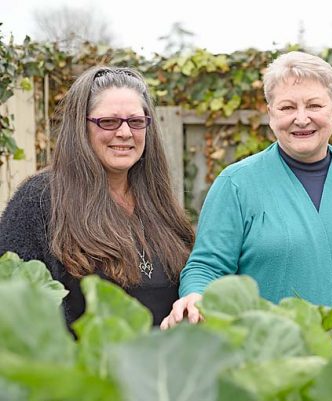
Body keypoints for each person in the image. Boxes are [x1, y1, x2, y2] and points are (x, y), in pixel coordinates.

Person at [161, 51, 332, 329]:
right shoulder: (236, 184)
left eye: (314, 105)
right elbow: (206, 267)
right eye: (287, 107)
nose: (302, 118)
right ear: (271, 115)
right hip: (271, 363)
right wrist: (195, 295)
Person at [0, 66, 195, 328]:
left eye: (136, 122)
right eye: (109, 122)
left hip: (162, 366)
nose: (125, 132)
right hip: (85, 367)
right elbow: (17, 307)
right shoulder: (40, 200)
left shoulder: (158, 202)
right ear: (81, 127)